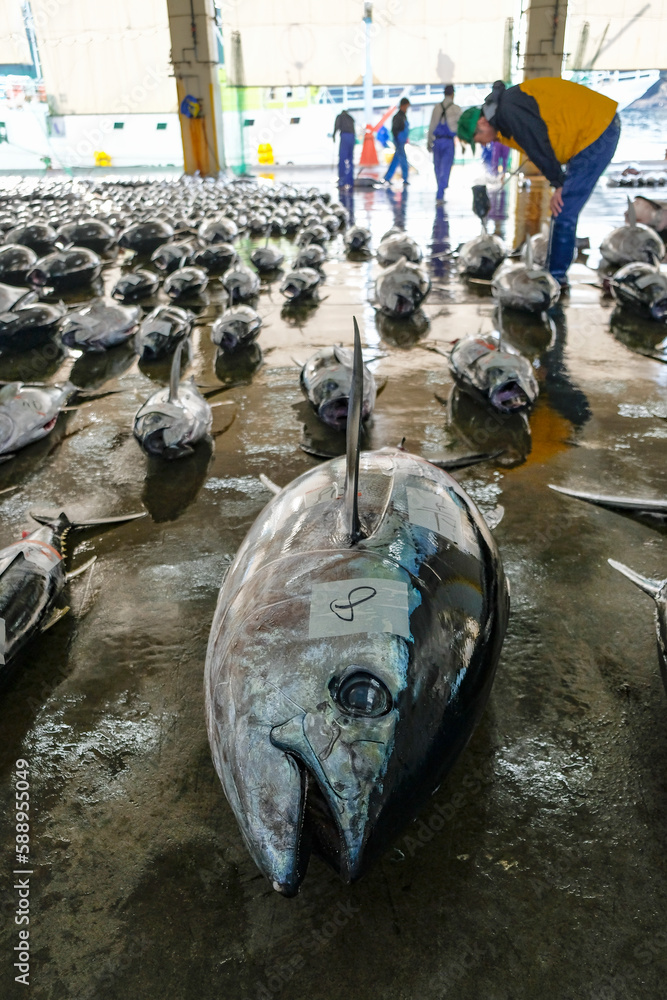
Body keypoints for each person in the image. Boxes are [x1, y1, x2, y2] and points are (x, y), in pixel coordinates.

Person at [457, 78, 620, 290]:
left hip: (597, 130)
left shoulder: (508, 111)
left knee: (564, 209)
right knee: (562, 207)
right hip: (587, 132)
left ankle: (555, 280)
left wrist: (558, 183)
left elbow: (538, 144)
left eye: (480, 140)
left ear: (482, 124)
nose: (484, 144)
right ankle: (554, 272)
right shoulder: (503, 114)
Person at [427, 84, 461, 202]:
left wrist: (429, 142)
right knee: (445, 168)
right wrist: (463, 143)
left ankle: (440, 189)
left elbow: (431, 126)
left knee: (437, 167)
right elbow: (460, 127)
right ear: (453, 94)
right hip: (448, 142)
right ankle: (440, 192)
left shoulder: (436, 108)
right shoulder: (456, 109)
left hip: (437, 142)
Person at [384, 98, 411, 186]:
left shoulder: (403, 116)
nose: (407, 109)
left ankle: (387, 178)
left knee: (396, 160)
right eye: (406, 107)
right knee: (403, 160)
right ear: (402, 106)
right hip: (399, 142)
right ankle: (405, 178)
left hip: (402, 141)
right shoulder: (398, 117)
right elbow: (394, 130)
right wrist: (398, 140)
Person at [333, 109, 355, 189]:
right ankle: (350, 181)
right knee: (350, 160)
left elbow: (336, 126)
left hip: (345, 136)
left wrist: (333, 135)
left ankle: (342, 182)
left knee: (342, 159)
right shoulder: (350, 117)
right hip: (352, 137)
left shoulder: (340, 117)